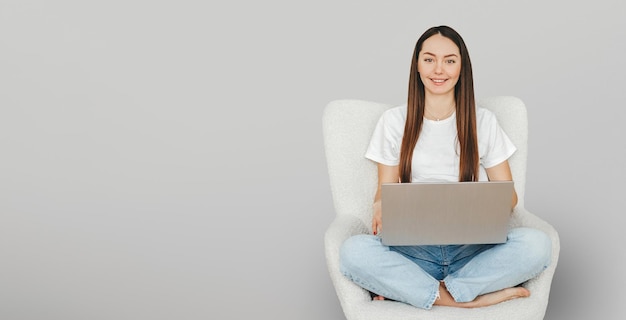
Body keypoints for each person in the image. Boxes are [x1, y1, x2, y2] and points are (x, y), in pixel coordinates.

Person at [339, 25, 552, 310]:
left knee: (537, 245)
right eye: (429, 59)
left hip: (471, 251)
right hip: (413, 252)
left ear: (462, 68)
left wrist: (472, 201)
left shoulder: (483, 121)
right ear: (417, 65)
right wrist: (380, 205)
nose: (439, 69)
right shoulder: (393, 121)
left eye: (449, 60)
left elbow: (509, 198)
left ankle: (424, 291)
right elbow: (383, 191)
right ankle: (465, 298)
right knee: (353, 252)